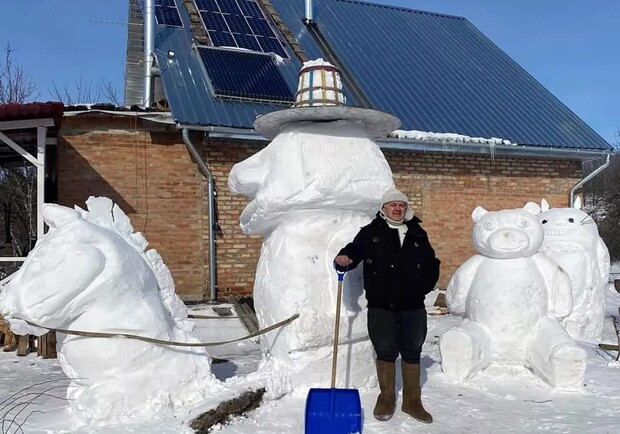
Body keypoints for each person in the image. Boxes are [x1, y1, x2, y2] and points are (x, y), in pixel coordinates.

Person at [334, 188, 440, 424]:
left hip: (413, 304)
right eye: (392, 205)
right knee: (385, 348)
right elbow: (354, 250)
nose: (397, 208)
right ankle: (387, 397)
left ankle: (413, 401)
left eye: (401, 205)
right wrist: (344, 258)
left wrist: (423, 286)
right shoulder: (371, 233)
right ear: (383, 209)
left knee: (413, 348)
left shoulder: (417, 233)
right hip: (381, 304)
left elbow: (432, 263)